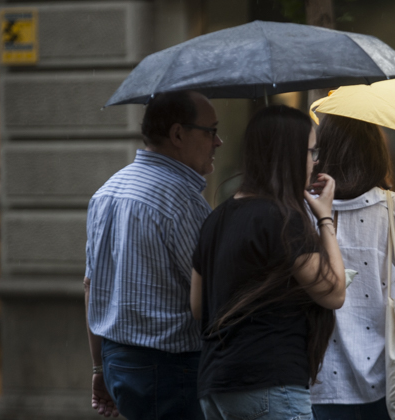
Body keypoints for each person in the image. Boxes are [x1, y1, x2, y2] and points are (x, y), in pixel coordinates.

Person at [189, 105, 346, 420]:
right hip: (270, 382)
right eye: (311, 152)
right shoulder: (284, 218)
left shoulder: (216, 218)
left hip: (215, 385)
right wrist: (325, 217)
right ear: (289, 154)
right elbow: (334, 292)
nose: (315, 162)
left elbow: (197, 306)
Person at [84, 90, 223, 419]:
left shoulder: (107, 192)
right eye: (211, 131)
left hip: (118, 359)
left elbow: (90, 286)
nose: (218, 143)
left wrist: (99, 367)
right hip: (172, 367)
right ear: (178, 134)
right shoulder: (182, 201)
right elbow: (214, 293)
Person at [308, 115, 395, 419]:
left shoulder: (308, 209)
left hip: (321, 380)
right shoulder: (391, 205)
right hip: (386, 380)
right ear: (374, 151)